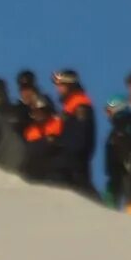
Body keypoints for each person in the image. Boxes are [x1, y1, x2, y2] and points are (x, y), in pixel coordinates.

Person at [49, 70, 98, 198]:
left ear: (69, 85)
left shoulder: (79, 104)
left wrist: (66, 151)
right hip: (68, 160)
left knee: (83, 193)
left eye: (60, 85)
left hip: (74, 162)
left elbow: (80, 137)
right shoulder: (69, 105)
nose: (57, 89)